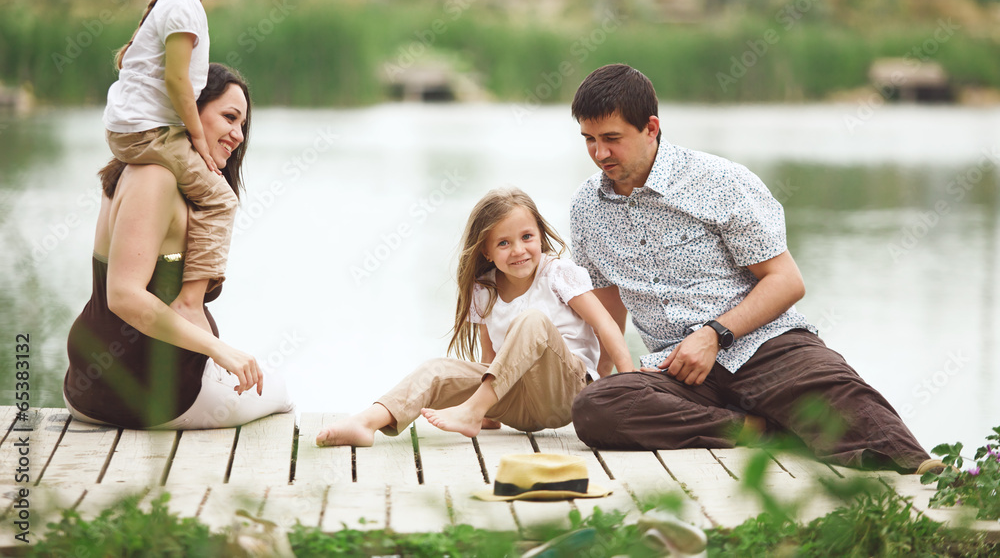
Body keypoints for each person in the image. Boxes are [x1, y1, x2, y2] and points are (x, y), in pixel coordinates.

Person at [567, 63, 939, 474]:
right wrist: (607, 375)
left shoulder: (720, 181)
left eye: (611, 139)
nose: (599, 154)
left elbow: (786, 281)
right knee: (595, 408)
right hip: (678, 372)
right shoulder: (587, 209)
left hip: (765, 347)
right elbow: (606, 312)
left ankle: (930, 480)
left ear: (651, 127)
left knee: (846, 400)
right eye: (589, 140)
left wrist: (713, 335)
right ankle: (757, 429)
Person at [64, 63, 294, 429]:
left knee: (256, 384)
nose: (237, 135)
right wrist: (220, 350)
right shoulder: (155, 176)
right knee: (280, 393)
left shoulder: (137, 167)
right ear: (189, 108)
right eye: (229, 117)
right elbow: (122, 296)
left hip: (87, 391)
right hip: (151, 392)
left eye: (243, 126)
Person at [316, 187, 634, 447]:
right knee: (436, 369)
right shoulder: (485, 290)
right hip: (518, 406)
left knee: (532, 321)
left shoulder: (557, 273)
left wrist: (631, 385)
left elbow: (605, 325)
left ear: (540, 235)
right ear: (486, 251)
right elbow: (490, 358)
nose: (519, 250)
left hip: (566, 393)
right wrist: (491, 416)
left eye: (527, 237)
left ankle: (471, 410)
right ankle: (366, 422)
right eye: (504, 243)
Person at [103, 0, 242, 339]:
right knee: (221, 200)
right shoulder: (185, 8)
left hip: (132, 131)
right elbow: (178, 81)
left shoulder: (173, 1)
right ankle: (189, 301)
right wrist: (198, 140)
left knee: (206, 196)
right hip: (150, 134)